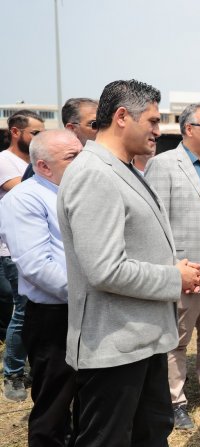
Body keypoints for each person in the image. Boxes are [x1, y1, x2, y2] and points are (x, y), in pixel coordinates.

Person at [57, 79, 200, 446]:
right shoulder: (95, 174)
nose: (159, 130)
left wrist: (174, 267)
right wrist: (173, 277)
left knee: (150, 434)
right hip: (114, 347)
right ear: (122, 116)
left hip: (142, 339)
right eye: (153, 121)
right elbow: (105, 269)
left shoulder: (121, 168)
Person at [143, 103, 200, 429]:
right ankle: (174, 400)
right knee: (176, 339)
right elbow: (154, 221)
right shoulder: (164, 165)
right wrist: (171, 267)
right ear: (188, 129)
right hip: (187, 269)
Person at [0, 130, 81, 445]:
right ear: (44, 166)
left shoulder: (74, 192)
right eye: (72, 157)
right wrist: (91, 293)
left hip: (87, 310)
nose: (82, 162)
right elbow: (36, 266)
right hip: (53, 317)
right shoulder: (26, 197)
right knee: (54, 405)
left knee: (86, 400)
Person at [0, 109, 44, 401]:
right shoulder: (5, 162)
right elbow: (26, 192)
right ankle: (12, 374)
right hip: (12, 251)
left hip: (36, 247)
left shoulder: (32, 163)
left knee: (34, 310)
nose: (39, 138)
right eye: (35, 133)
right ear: (16, 132)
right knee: (22, 310)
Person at [20, 99, 99, 182]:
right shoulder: (45, 161)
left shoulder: (102, 157)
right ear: (71, 129)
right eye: (95, 124)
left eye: (105, 123)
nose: (103, 128)